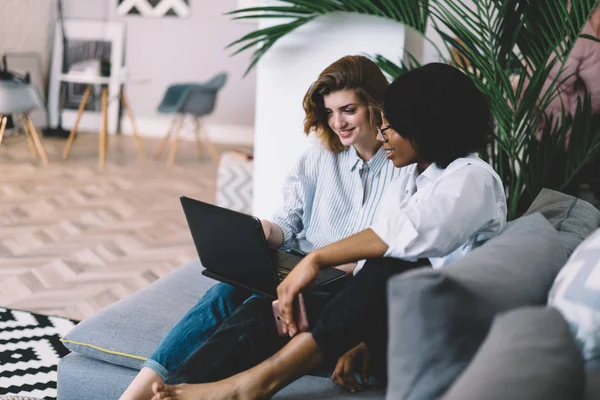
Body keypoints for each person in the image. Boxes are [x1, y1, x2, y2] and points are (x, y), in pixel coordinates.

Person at [150, 63, 508, 400]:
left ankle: (256, 384)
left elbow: (405, 238)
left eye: (392, 127)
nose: (384, 135)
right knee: (264, 311)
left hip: (440, 329)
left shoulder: (472, 179)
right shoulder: (414, 178)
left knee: (392, 268)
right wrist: (354, 336)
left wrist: (316, 260)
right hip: (385, 318)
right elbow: (374, 266)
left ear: (426, 130)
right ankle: (185, 388)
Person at [120, 55, 401, 400]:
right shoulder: (318, 155)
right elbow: (289, 221)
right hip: (297, 262)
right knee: (226, 290)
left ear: (375, 106)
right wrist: (262, 231)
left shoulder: (403, 167)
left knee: (257, 306)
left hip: (344, 285)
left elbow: (390, 255)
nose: (337, 123)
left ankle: (180, 391)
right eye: (329, 112)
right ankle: (134, 394)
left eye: (348, 110)